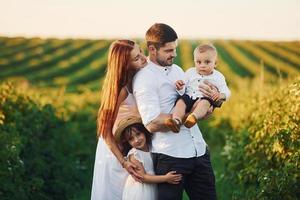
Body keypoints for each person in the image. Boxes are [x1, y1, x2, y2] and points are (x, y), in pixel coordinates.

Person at [133, 23, 220, 200]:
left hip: (198, 151)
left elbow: (193, 98)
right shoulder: (144, 78)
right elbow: (151, 123)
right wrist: (189, 116)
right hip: (171, 156)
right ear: (152, 49)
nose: (174, 54)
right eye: (169, 50)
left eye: (175, 48)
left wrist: (209, 104)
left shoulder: (179, 71)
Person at [91, 40, 147, 200]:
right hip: (115, 151)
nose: (143, 58)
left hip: (128, 144)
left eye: (141, 52)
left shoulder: (136, 78)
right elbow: (105, 131)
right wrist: (123, 162)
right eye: (137, 58)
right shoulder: (120, 90)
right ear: (125, 65)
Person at [165, 43, 231, 132]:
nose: (202, 65)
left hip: (204, 98)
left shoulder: (218, 76)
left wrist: (221, 95)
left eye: (207, 62)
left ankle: (193, 117)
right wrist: (180, 87)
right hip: (189, 96)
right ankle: (176, 120)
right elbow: (184, 86)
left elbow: (226, 90)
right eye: (198, 62)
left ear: (215, 63)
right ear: (194, 61)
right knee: (180, 102)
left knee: (205, 103)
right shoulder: (190, 72)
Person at [114, 116, 182, 200]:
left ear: (144, 132)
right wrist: (165, 178)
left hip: (152, 185)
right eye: (131, 139)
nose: (136, 140)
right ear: (128, 142)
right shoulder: (134, 154)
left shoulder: (151, 147)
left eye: (138, 134)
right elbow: (143, 177)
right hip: (140, 190)